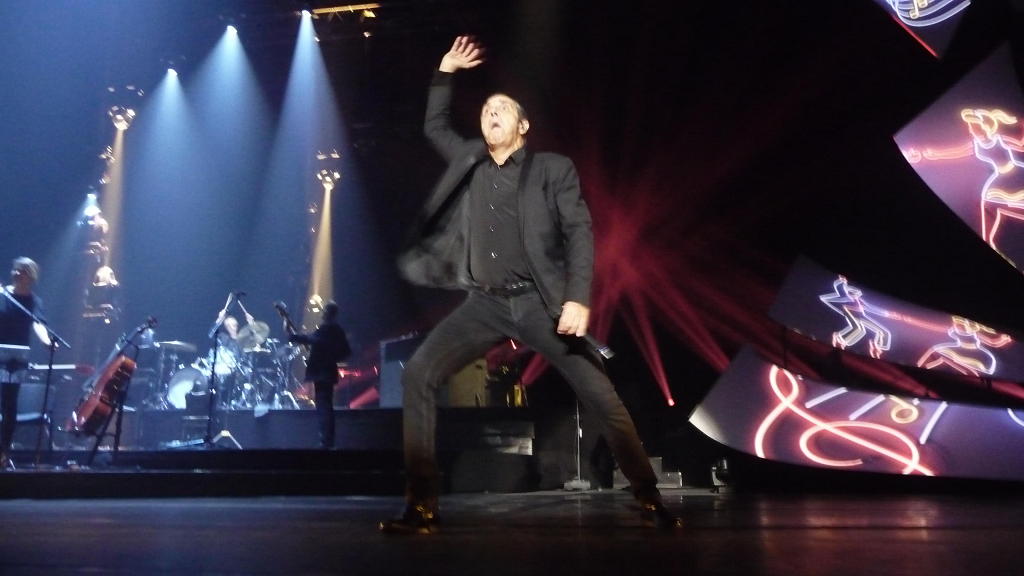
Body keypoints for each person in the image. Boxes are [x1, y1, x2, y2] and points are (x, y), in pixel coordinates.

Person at [382, 36, 681, 533]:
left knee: (600, 395)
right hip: (483, 304)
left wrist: (576, 299)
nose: (491, 113)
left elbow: (579, 232)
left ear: (523, 126)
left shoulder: (551, 169)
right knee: (417, 374)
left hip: (539, 304)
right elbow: (435, 126)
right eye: (486, 110)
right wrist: (444, 72)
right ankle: (421, 505)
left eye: (502, 108)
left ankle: (648, 495)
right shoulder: (470, 162)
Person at [0, 257, 51, 470]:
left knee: (9, 405)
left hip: (16, 358)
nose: (16, 273)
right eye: (15, 269)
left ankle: (3, 452)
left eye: (21, 270)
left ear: (30, 276)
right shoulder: (2, 295)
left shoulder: (33, 301)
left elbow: (38, 324)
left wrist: (46, 341)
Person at [286, 301, 351, 449]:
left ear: (329, 313)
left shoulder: (328, 329)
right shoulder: (338, 330)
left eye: (325, 310)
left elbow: (311, 339)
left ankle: (326, 442)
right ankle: (328, 440)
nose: (322, 313)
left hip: (322, 373)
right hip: (328, 373)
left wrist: (293, 337)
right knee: (326, 406)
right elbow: (346, 351)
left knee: (323, 407)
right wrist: (332, 356)